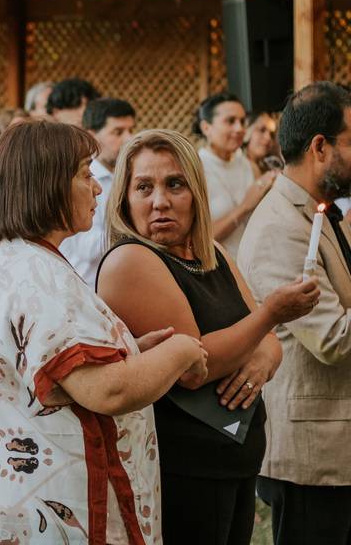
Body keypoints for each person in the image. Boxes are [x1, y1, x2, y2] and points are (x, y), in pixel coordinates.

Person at [0, 120, 209, 545]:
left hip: (15, 502)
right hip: (61, 515)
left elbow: (44, 374)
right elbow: (106, 391)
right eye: (85, 175)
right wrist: (182, 349)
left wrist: (127, 350)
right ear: (49, 184)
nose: (98, 189)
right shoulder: (33, 274)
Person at [98, 129, 317, 545]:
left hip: (234, 460)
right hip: (184, 468)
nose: (160, 200)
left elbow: (267, 343)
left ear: (196, 192)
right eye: (144, 186)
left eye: (175, 184)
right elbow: (196, 365)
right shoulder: (132, 260)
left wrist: (262, 355)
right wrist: (270, 316)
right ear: (124, 199)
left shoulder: (211, 253)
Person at [237, 82, 351, 545]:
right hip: (311, 458)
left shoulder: (315, 212)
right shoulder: (280, 227)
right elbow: (333, 339)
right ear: (320, 147)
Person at [60, 98, 135, 288]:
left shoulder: (131, 175)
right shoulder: (75, 179)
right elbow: (89, 247)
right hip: (87, 290)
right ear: (92, 136)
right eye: (118, 132)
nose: (128, 139)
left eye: (131, 130)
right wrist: (141, 232)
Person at [195, 92, 275, 258]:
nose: (239, 129)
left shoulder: (247, 164)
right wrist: (245, 206)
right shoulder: (196, 169)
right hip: (221, 270)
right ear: (206, 127)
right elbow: (199, 242)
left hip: (255, 265)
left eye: (242, 121)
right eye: (230, 121)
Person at [243, 110, 282, 177]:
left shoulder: (273, 166)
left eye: (272, 134)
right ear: (246, 131)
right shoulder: (235, 167)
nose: (268, 138)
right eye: (262, 130)